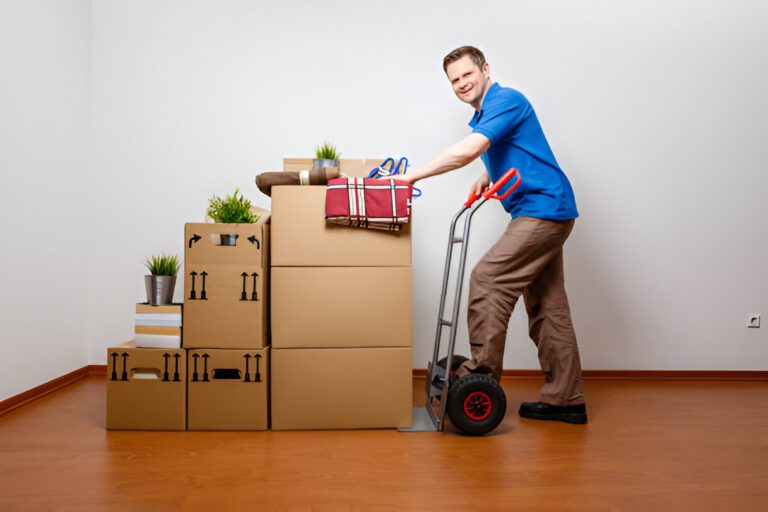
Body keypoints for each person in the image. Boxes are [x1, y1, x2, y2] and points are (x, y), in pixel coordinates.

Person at [389, 46, 587, 424]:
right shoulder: (486, 112)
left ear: (485, 69)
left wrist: (411, 175)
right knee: (548, 305)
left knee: (488, 279)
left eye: (467, 74)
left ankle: (481, 375)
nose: (462, 83)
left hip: (543, 211)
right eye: (455, 80)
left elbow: (471, 149)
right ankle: (566, 399)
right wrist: (489, 175)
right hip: (547, 209)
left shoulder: (507, 100)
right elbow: (511, 150)